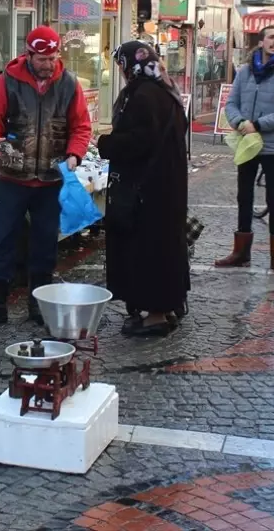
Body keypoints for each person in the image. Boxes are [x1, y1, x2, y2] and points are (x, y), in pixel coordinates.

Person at [0, 26, 93, 332]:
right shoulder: (9, 80)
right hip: (13, 178)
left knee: (45, 245)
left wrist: (74, 155)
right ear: (29, 55)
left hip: (51, 180)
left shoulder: (69, 84)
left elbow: (81, 127)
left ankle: (40, 303)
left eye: (53, 58)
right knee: (2, 241)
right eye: (42, 59)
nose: (48, 64)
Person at [98, 41, 189, 337]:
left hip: (147, 190)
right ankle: (165, 306)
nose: (121, 73)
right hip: (165, 187)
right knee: (163, 247)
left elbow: (139, 141)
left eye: (121, 66)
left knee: (148, 250)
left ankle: (157, 315)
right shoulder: (165, 90)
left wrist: (105, 144)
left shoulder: (144, 96)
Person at [214, 25, 274, 273]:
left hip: (273, 145)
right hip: (246, 143)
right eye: (271, 37)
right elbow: (232, 103)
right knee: (244, 196)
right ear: (261, 42)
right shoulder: (245, 71)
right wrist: (240, 122)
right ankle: (241, 252)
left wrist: (259, 125)